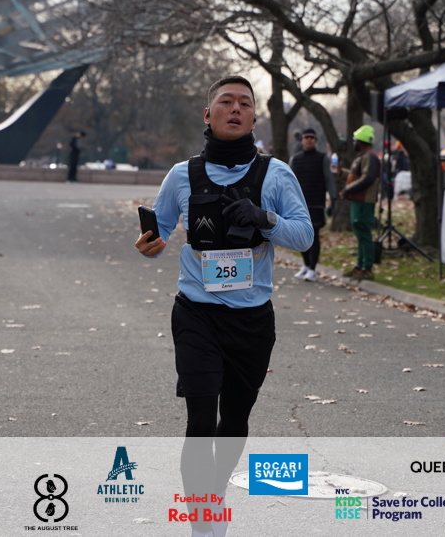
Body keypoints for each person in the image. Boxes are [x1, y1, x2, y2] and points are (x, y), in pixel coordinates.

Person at [134, 75, 312, 537]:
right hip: (197, 313)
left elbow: (304, 236)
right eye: (226, 101)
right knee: (200, 420)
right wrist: (149, 244)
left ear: (254, 118)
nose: (236, 108)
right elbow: (158, 233)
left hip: (252, 320)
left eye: (245, 103)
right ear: (208, 114)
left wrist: (264, 218)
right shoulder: (181, 175)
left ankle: (214, 496)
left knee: (234, 419)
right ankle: (203, 524)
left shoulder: (276, 174)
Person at [288, 127, 337, 281]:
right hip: (298, 205)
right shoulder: (295, 159)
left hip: (316, 203)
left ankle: (312, 269)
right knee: (300, 236)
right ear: (302, 140)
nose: (309, 140)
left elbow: (329, 180)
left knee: (314, 236)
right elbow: (289, 183)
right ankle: (306, 264)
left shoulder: (323, 158)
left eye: (312, 138)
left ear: (315, 140)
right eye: (306, 137)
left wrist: (333, 199)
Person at [336, 125, 381, 280]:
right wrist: (342, 173)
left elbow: (368, 178)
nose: (353, 143)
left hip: (364, 201)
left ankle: (367, 268)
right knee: (360, 234)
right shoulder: (363, 156)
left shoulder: (370, 157)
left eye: (355, 141)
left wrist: (348, 190)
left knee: (364, 233)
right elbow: (357, 175)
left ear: (361, 142)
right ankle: (359, 266)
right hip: (358, 200)